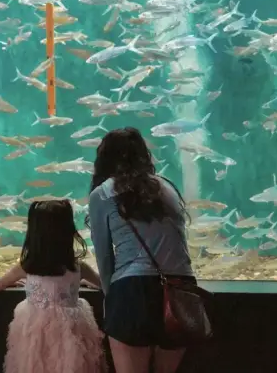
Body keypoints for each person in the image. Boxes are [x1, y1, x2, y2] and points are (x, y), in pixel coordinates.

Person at [88, 127, 196, 373]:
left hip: (133, 291)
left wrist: (111, 301)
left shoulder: (103, 193)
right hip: (181, 290)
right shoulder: (167, 186)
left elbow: (104, 257)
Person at [0, 200, 105, 373]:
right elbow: (104, 285)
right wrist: (85, 282)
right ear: (68, 231)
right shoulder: (79, 267)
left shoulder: (26, 267)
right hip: (70, 329)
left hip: (35, 329)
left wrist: (11, 282)